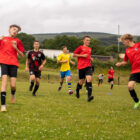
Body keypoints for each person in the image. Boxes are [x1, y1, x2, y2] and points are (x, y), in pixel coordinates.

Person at [0, 24, 24, 112]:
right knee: (4, 83)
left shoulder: (17, 41)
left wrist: (16, 48)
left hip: (13, 63)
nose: (15, 31)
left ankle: (13, 94)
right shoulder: (3, 39)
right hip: (3, 62)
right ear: (9, 29)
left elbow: (21, 55)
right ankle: (3, 106)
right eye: (14, 29)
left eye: (17, 31)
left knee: (13, 85)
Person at [116, 34, 140, 109]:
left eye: (123, 41)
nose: (123, 43)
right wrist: (120, 63)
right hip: (134, 71)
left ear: (127, 40)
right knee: (130, 86)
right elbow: (125, 61)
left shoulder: (138, 45)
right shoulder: (127, 50)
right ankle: (137, 102)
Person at [73, 36, 94, 102]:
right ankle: (77, 90)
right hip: (81, 67)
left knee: (89, 79)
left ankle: (89, 96)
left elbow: (88, 56)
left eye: (89, 40)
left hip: (88, 66)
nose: (88, 41)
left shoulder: (90, 49)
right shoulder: (80, 47)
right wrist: (82, 55)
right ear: (83, 41)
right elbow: (74, 54)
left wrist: (90, 58)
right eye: (87, 40)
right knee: (81, 81)